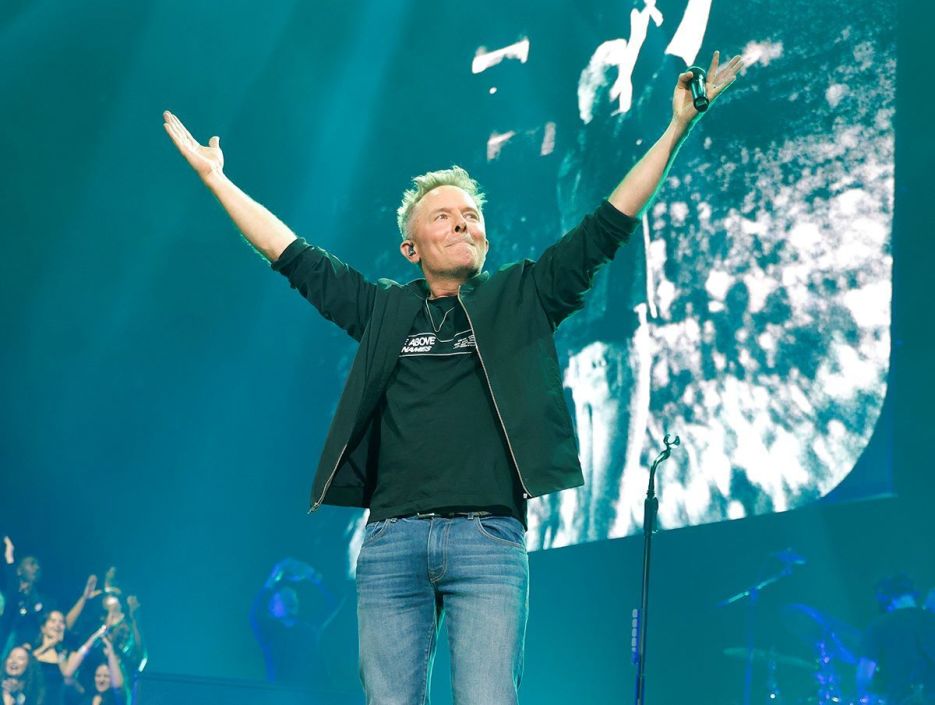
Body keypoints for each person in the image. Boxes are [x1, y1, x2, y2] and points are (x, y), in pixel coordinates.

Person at [164, 50, 743, 704]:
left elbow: (607, 224)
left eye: (471, 214)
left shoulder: (520, 296)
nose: (463, 220)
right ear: (410, 247)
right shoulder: (383, 309)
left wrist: (676, 129)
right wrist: (216, 181)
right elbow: (290, 253)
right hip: (391, 540)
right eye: (443, 215)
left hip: (486, 540)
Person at [249, 558, 339, 690]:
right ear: (272, 608)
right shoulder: (269, 632)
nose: (290, 599)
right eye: (284, 597)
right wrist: (276, 574)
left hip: (316, 693)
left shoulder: (310, 627)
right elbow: (256, 613)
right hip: (282, 694)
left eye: (293, 596)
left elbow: (334, 601)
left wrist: (312, 574)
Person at [856, 575, 935, 705]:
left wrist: (864, 695)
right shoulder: (931, 619)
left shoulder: (878, 626)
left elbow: (864, 677)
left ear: (887, 602)